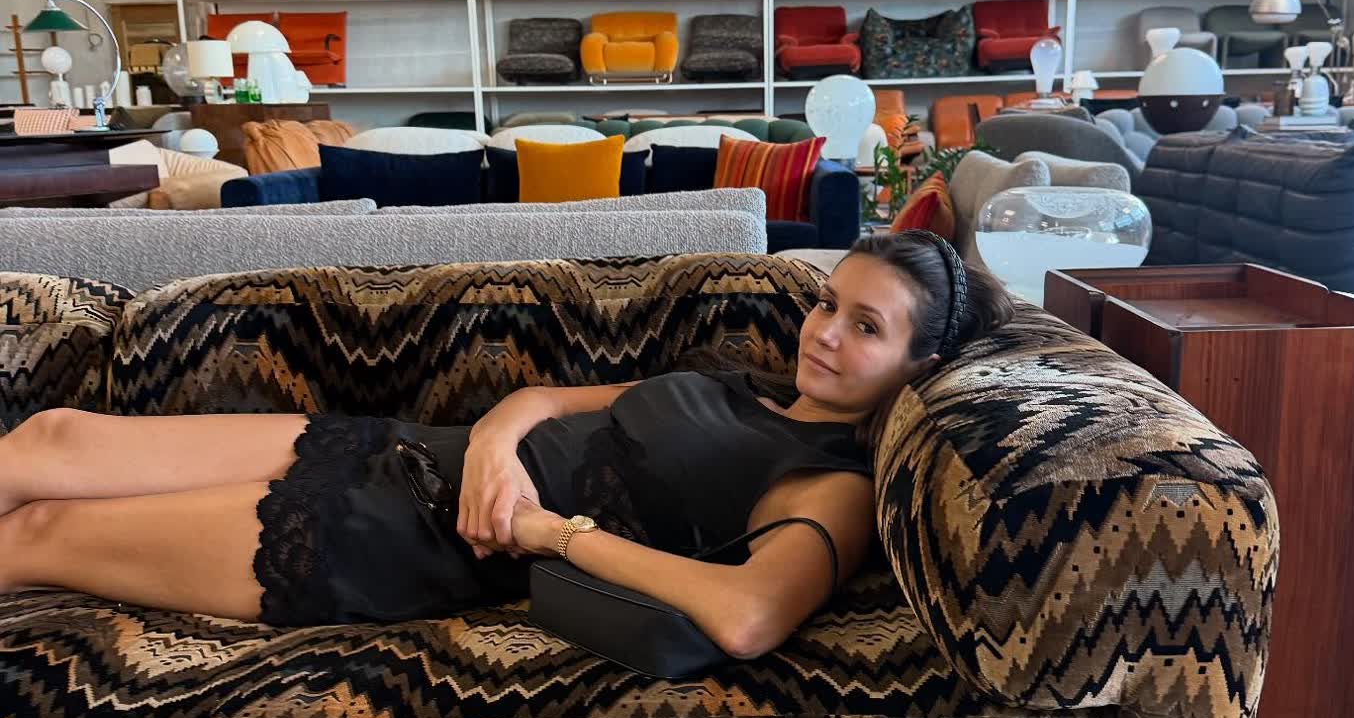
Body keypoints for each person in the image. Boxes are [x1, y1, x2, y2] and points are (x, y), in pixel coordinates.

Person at [0, 233, 1011, 659]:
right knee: (51, 436)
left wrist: (550, 533)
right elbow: (551, 397)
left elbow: (747, 617)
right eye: (828, 303)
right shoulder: (751, 383)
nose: (823, 333)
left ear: (917, 366)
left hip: (400, 537)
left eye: (865, 327)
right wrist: (493, 436)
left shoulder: (830, 481)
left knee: (43, 532)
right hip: (408, 448)